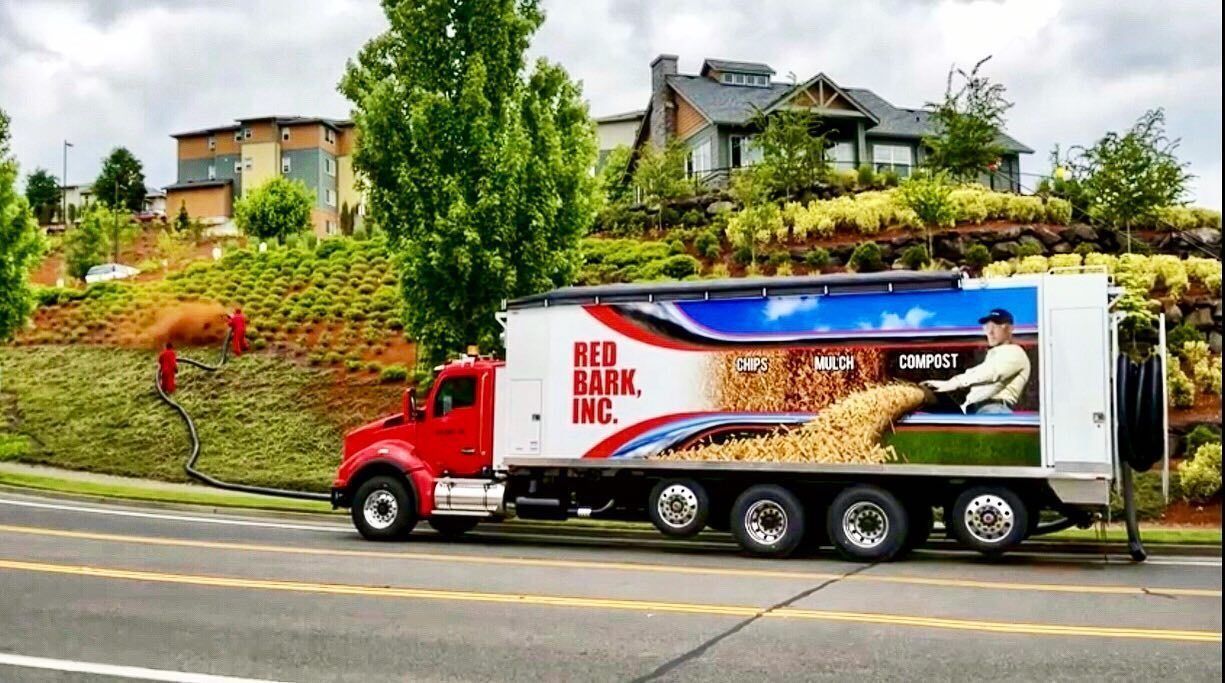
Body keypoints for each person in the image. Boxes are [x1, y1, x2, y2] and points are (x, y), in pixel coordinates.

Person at [921, 308, 1031, 414]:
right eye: (987, 327)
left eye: (996, 326)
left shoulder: (1015, 352)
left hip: (994, 409)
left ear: (1010, 328)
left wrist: (952, 383)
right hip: (976, 410)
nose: (990, 331)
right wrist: (942, 386)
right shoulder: (994, 355)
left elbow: (990, 373)